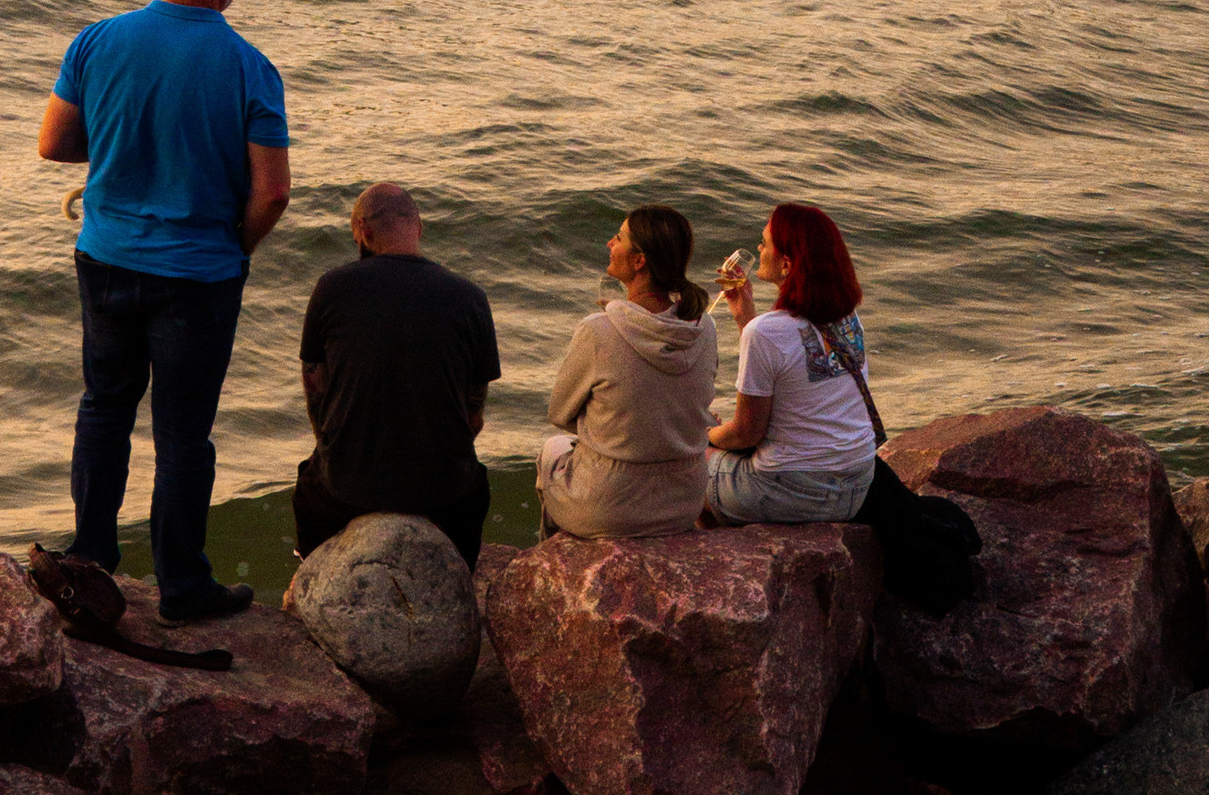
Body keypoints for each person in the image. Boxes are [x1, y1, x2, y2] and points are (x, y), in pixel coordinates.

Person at [37, 0, 289, 623]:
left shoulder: (97, 40)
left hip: (107, 256)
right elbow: (272, 191)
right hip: (200, 273)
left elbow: (54, 145)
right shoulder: (247, 65)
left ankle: (87, 563)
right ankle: (181, 587)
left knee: (103, 407)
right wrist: (236, 246)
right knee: (182, 435)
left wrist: (123, 145)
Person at [294, 184, 498, 568]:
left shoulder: (332, 287)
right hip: (444, 489)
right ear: (418, 228)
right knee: (475, 490)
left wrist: (332, 442)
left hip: (348, 487)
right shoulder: (470, 297)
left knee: (310, 486)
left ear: (362, 231)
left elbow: (314, 382)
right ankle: (460, 573)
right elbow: (473, 414)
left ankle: (311, 571)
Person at [536, 206, 716, 540]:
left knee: (552, 449)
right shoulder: (705, 327)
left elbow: (559, 414)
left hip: (608, 508)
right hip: (682, 504)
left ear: (639, 261)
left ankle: (552, 569)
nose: (609, 243)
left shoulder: (598, 331)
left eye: (618, 238)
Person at [704, 200, 879, 526]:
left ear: (786, 264)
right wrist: (745, 315)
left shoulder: (766, 332)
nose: (758, 247)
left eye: (765, 243)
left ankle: (715, 564)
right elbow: (790, 368)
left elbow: (746, 434)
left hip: (794, 491)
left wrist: (707, 434)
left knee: (686, 463)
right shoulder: (845, 316)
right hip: (857, 485)